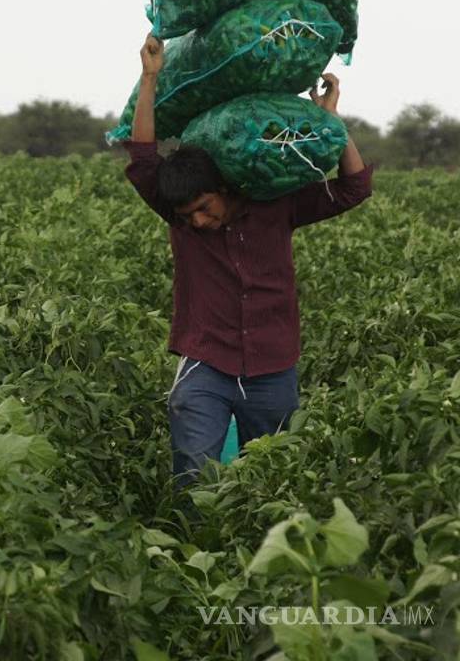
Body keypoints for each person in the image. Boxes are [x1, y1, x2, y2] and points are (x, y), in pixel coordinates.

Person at [124, 34, 372, 488]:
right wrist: (150, 77)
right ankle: (195, 551)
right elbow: (142, 160)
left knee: (270, 480)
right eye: (187, 215)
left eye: (204, 207)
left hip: (273, 366)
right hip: (205, 362)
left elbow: (353, 189)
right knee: (194, 479)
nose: (197, 221)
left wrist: (329, 126)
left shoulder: (278, 205)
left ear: (225, 187)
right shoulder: (181, 220)